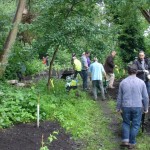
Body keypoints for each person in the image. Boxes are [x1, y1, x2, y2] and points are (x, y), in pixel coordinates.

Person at [116, 64, 149, 149]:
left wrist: (118, 108)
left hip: (125, 106)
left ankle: (125, 140)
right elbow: (145, 97)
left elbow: (120, 97)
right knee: (135, 124)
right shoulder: (141, 82)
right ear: (136, 71)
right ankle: (132, 142)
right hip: (137, 106)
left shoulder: (123, 82)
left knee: (126, 123)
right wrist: (146, 108)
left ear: (128, 71)